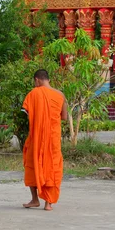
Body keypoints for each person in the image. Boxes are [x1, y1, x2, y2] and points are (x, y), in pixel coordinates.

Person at [21, 69, 68, 211]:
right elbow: (64, 117)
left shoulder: (33, 94)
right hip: (53, 138)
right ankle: (48, 203)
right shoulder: (60, 95)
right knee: (52, 167)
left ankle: (35, 199)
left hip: (36, 139)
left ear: (37, 80)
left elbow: (27, 113)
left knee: (32, 165)